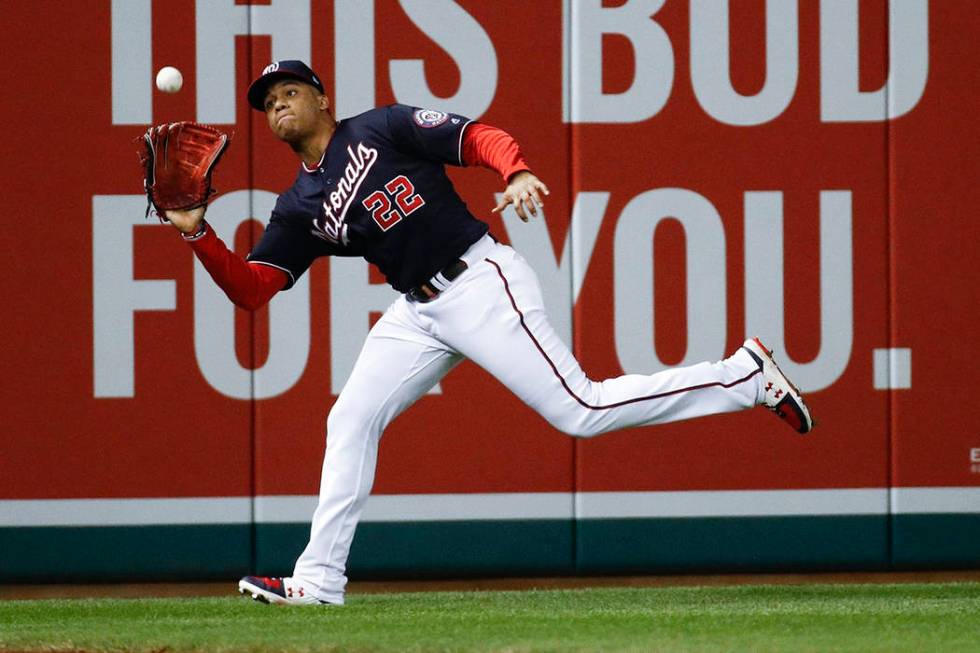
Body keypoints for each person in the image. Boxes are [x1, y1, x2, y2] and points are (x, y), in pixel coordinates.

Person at [164, 60, 813, 606]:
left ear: (322, 98)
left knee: (580, 408)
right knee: (349, 420)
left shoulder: (380, 126)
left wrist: (518, 169)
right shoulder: (297, 206)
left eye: (291, 92)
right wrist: (197, 229)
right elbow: (253, 289)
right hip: (416, 312)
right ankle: (318, 578)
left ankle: (743, 375)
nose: (279, 105)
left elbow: (474, 135)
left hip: (478, 280)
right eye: (269, 102)